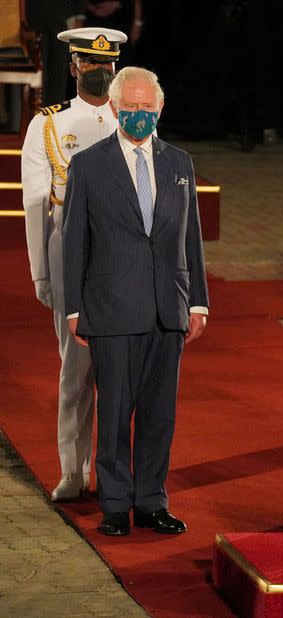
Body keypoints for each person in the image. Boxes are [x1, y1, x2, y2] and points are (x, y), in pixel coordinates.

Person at [62, 66, 209, 537]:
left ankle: (150, 502)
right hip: (111, 307)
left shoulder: (179, 163)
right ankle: (114, 504)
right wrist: (72, 307)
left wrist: (199, 303)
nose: (140, 114)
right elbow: (73, 243)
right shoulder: (87, 165)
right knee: (114, 412)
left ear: (160, 108)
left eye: (148, 107)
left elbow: (192, 237)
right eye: (132, 106)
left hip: (169, 308)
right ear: (115, 107)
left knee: (159, 414)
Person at [22, 27, 127, 501]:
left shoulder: (133, 117)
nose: (100, 70)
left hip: (124, 258)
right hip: (72, 255)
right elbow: (34, 203)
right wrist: (41, 272)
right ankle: (72, 468)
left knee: (121, 372)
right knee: (76, 367)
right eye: (90, 62)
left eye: (107, 64)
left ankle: (114, 473)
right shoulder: (47, 125)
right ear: (74, 67)